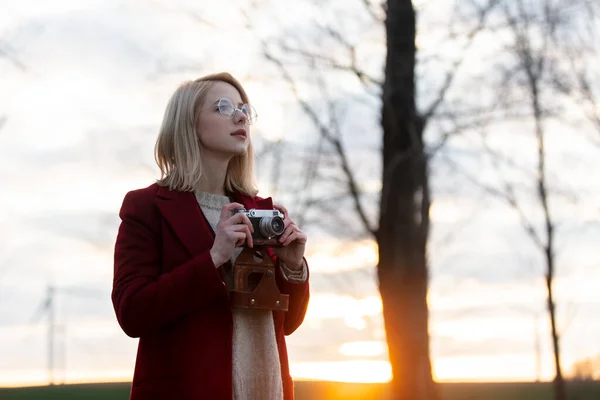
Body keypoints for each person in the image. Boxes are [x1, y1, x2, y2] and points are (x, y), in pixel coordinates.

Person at [111, 72, 310, 400]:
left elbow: (286, 324)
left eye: (244, 108)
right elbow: (132, 312)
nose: (241, 115)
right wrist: (213, 258)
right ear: (188, 125)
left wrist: (293, 268)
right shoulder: (146, 207)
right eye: (223, 107)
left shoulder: (263, 211)